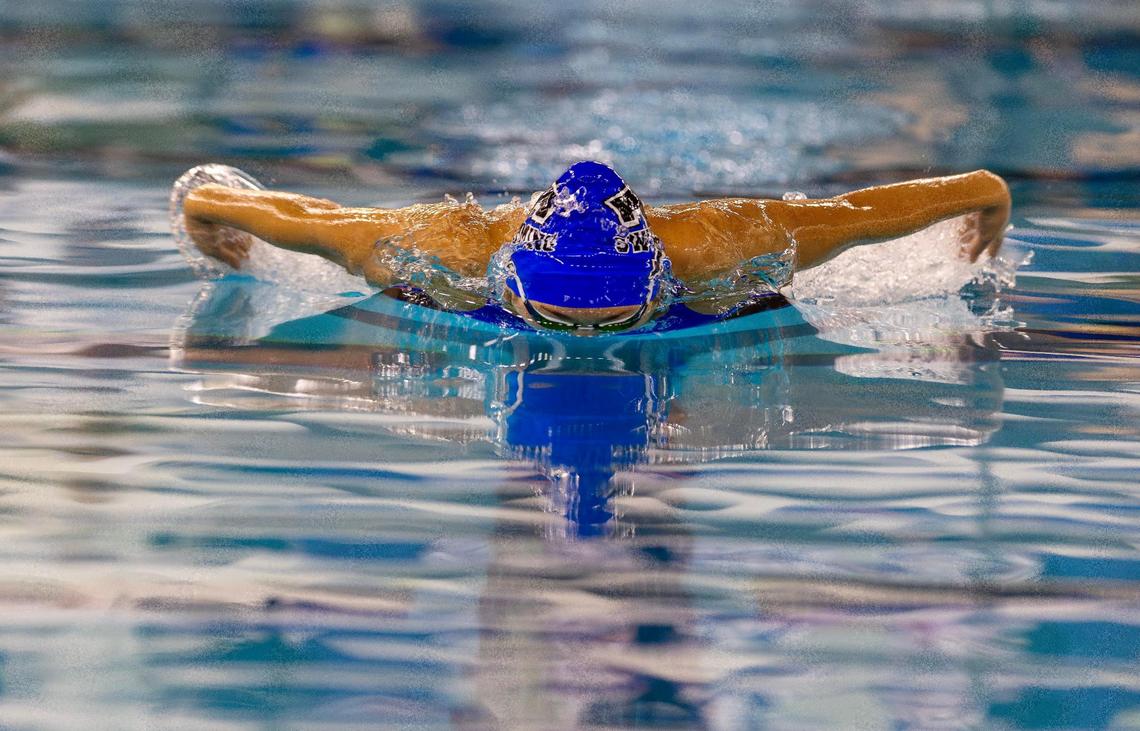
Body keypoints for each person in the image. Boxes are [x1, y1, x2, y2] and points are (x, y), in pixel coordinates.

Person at [179, 160, 1011, 333]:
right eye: (559, 316)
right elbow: (232, 205)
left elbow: (976, 187)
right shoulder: (426, 251)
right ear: (510, 283)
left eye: (613, 319)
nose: (581, 341)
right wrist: (218, 237)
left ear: (660, 280)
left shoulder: (732, 246)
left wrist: (983, 231)